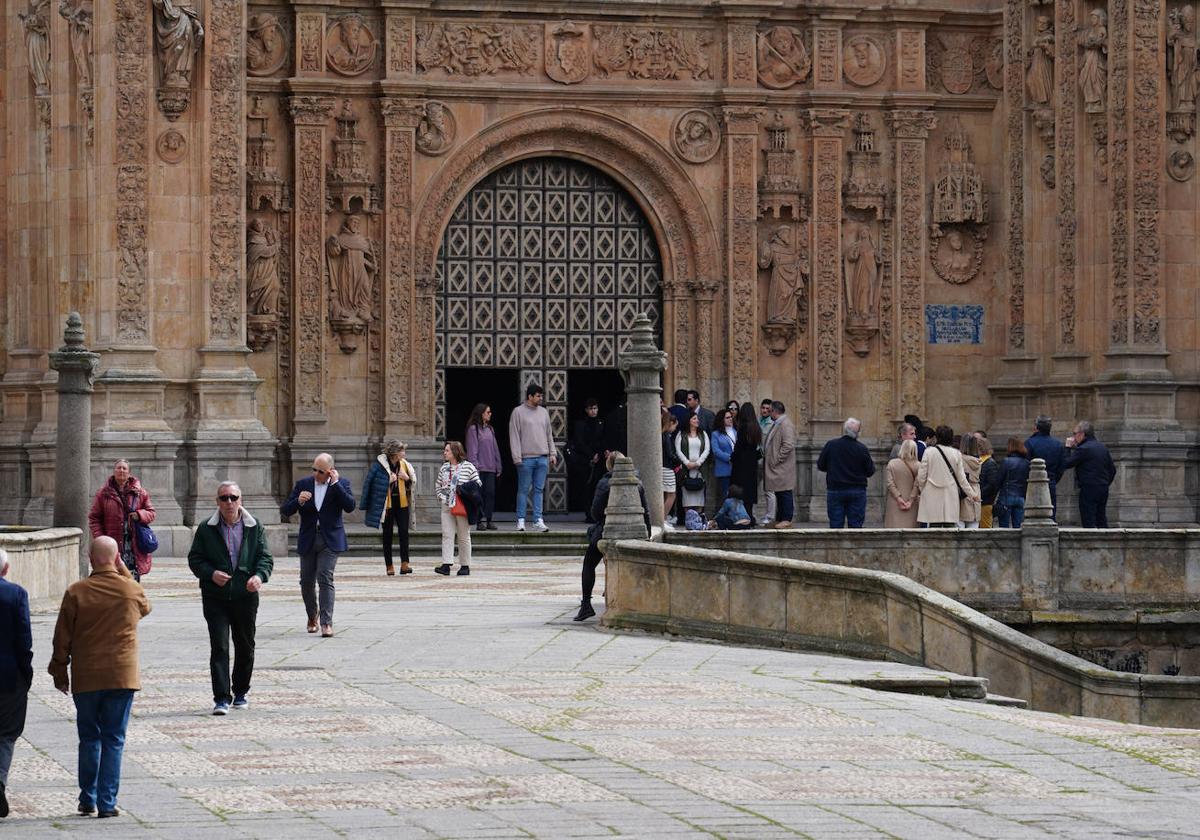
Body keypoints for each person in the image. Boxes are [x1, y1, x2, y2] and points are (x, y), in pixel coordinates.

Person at [49, 536, 151, 819]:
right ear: (117, 559)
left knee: (89, 738)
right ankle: (107, 803)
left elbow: (62, 638)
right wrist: (123, 570)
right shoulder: (130, 590)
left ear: (90, 558)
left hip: (86, 676)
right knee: (114, 739)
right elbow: (146, 607)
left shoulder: (76, 592)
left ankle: (87, 798)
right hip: (121, 676)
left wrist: (59, 670)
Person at [187, 482, 273, 715]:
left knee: (245, 645)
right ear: (217, 502)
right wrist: (211, 573)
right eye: (224, 498)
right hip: (216, 597)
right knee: (220, 646)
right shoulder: (207, 528)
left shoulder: (254, 527)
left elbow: (265, 558)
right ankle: (222, 697)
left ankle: (241, 691)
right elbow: (195, 559)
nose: (229, 502)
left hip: (245, 595)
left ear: (240, 500)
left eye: (233, 497)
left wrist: (259, 576)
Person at [281, 453, 355, 638]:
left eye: (320, 471)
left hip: (330, 539)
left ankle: (326, 622)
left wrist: (336, 484)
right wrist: (298, 501)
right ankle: (312, 616)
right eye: (314, 469)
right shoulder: (303, 484)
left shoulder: (341, 484)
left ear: (330, 472)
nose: (316, 474)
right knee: (306, 581)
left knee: (325, 577)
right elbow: (286, 510)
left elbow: (350, 506)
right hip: (308, 538)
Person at [575, 451, 650, 622]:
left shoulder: (604, 483)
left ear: (609, 465)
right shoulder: (637, 483)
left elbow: (595, 512)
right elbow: (646, 511)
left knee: (589, 564)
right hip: (634, 532)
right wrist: (647, 536)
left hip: (608, 531)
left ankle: (586, 604)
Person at [0, 551, 31, 819]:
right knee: (6, 734)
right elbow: (24, 639)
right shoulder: (16, 594)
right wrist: (26, 673)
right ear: (6, 568)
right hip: (9, 677)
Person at [88, 459, 156, 581]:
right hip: (112, 543)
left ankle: (131, 598)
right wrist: (101, 538)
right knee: (113, 577)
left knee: (132, 580)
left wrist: (139, 515)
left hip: (133, 543)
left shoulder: (140, 493)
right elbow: (94, 518)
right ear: (114, 471)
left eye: (124, 468)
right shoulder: (103, 493)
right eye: (118, 468)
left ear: (129, 473)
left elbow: (151, 513)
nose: (121, 470)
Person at [360, 440, 416, 575]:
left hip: (402, 502)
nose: (404, 453)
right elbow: (370, 484)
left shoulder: (404, 464)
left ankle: (404, 564)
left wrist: (407, 478)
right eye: (402, 450)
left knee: (404, 532)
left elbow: (412, 483)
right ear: (395, 453)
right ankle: (389, 566)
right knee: (387, 534)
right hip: (387, 504)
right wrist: (388, 481)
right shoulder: (379, 465)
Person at [509, 384, 556, 533]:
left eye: (541, 396)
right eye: (538, 396)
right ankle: (521, 520)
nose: (540, 398)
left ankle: (538, 519)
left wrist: (552, 453)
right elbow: (514, 435)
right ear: (529, 396)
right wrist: (516, 457)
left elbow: (549, 434)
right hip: (526, 458)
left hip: (542, 457)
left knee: (539, 490)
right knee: (523, 490)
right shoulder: (518, 412)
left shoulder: (544, 412)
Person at [817, 417, 875, 528]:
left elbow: (821, 465)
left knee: (835, 525)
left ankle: (837, 545)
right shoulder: (862, 448)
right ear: (858, 433)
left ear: (845, 430)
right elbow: (870, 471)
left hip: (835, 489)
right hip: (857, 490)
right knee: (855, 526)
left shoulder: (831, 445)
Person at [917, 426, 978, 527]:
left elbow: (921, 476)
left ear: (937, 437)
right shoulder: (956, 454)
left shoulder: (929, 452)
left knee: (933, 527)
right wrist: (972, 494)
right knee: (949, 527)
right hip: (950, 494)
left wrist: (923, 490)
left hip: (932, 493)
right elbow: (962, 479)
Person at [435, 441, 480, 576]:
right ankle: (446, 564)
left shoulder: (468, 466)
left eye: (447, 450)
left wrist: (464, 490)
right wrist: (442, 498)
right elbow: (438, 485)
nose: (444, 453)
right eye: (445, 450)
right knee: (447, 534)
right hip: (447, 505)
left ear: (455, 452)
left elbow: (477, 484)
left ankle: (465, 565)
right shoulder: (444, 468)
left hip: (462, 505)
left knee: (463, 536)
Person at [1063, 420, 1117, 528]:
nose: (1073, 437)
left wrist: (1068, 447)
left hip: (1089, 488)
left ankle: (1092, 544)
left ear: (1082, 434)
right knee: (1101, 518)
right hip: (1103, 487)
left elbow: (1066, 463)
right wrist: (1105, 482)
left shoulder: (1083, 449)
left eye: (1074, 434)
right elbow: (1112, 470)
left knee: (1088, 519)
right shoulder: (1102, 447)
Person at [465, 404, 502, 531]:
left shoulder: (490, 429)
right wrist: (474, 467)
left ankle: (489, 519)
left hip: (490, 468)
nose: (490, 414)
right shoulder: (473, 429)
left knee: (490, 494)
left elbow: (495, 448)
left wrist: (498, 465)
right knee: (478, 495)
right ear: (481, 413)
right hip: (479, 469)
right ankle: (479, 520)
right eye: (488, 412)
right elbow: (472, 450)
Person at [569, 398, 605, 523]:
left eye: (595, 408)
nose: (593, 411)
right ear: (586, 410)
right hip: (584, 460)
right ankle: (588, 514)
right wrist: (590, 455)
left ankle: (597, 513)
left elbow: (603, 440)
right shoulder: (580, 424)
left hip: (599, 460)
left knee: (597, 487)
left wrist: (598, 454)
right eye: (591, 409)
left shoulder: (601, 423)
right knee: (585, 488)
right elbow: (579, 442)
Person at [764, 401, 798, 528]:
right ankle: (780, 518)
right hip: (777, 467)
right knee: (779, 492)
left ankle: (786, 518)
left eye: (770, 410)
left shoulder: (785, 424)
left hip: (782, 466)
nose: (768, 412)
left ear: (775, 411)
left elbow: (788, 444)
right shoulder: (779, 423)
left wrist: (777, 459)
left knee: (785, 492)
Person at [1025, 415, 1065, 518]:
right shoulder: (1057, 444)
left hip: (1032, 481)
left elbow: (1026, 464)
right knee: (1050, 513)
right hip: (1051, 480)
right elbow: (1061, 466)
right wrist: (1054, 479)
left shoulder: (1030, 443)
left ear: (1036, 427)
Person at [731, 403, 763, 522]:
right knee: (749, 492)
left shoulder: (743, 427)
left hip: (741, 464)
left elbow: (739, 447)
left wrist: (732, 457)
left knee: (740, 492)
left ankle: (744, 517)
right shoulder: (756, 427)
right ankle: (750, 515)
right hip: (752, 464)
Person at [675, 412, 710, 514]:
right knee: (687, 498)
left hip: (699, 470)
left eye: (697, 419)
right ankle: (689, 519)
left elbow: (707, 449)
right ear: (689, 421)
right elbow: (678, 449)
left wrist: (698, 463)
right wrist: (687, 462)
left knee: (699, 498)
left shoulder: (703, 434)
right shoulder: (681, 434)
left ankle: (698, 519)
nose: (697, 420)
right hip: (687, 470)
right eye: (694, 419)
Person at [994, 437, 1032, 528]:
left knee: (1004, 527)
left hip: (1006, 497)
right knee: (1018, 527)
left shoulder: (1006, 461)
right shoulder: (1027, 463)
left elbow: (998, 481)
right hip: (1020, 498)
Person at [884, 439, 920, 528]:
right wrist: (911, 500)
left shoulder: (892, 463)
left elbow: (890, 483)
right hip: (912, 504)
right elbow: (917, 485)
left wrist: (898, 498)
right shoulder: (919, 465)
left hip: (894, 503)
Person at [757, 399, 777, 525]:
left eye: (767, 409)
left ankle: (770, 516)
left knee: (769, 489)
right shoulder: (758, 422)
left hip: (767, 460)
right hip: (757, 459)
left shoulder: (772, 424)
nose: (764, 411)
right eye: (763, 408)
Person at [958, 433, 983, 529]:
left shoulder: (959, 459)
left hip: (963, 493)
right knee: (973, 530)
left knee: (959, 529)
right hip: (976, 492)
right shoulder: (978, 461)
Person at [711, 408, 737, 500]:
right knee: (725, 495)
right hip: (724, 468)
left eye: (731, 417)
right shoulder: (715, 434)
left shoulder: (735, 432)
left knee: (736, 496)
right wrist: (730, 458)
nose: (730, 419)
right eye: (727, 418)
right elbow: (716, 451)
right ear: (722, 420)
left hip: (736, 469)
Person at [661, 410, 681, 528]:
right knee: (671, 495)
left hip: (663, 467)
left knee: (665, 495)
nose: (674, 429)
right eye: (674, 426)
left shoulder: (662, 435)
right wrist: (679, 461)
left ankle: (662, 518)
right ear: (671, 423)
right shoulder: (666, 436)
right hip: (667, 468)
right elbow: (670, 454)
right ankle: (662, 519)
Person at [978, 437, 1000, 528]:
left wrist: (978, 494)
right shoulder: (981, 461)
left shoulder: (990, 463)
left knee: (985, 529)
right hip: (980, 502)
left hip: (985, 503)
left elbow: (992, 484)